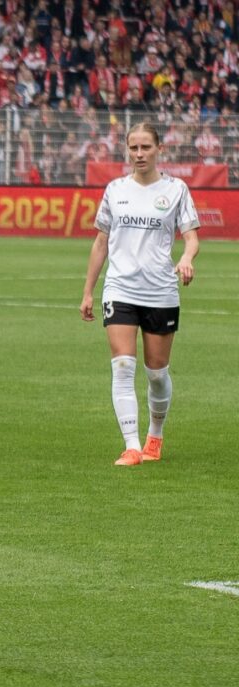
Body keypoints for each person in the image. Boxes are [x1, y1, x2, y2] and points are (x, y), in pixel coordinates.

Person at [79, 123, 200, 467]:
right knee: (122, 366)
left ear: (160, 149)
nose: (139, 154)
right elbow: (101, 242)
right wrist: (88, 291)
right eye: (133, 148)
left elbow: (191, 237)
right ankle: (131, 446)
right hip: (120, 288)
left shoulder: (176, 189)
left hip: (160, 291)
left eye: (146, 147)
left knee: (156, 374)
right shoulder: (115, 190)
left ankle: (154, 436)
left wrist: (186, 259)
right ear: (127, 150)